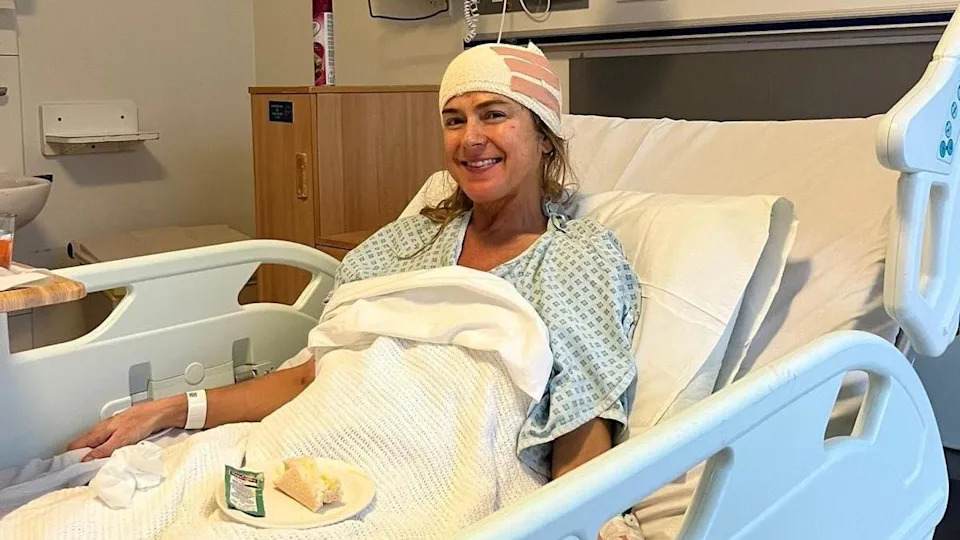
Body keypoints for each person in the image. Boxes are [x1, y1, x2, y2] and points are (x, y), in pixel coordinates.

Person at [68, 42, 640, 481]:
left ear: (544, 137)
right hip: (316, 449)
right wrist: (170, 410)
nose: (470, 139)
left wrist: (587, 520)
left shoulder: (574, 256)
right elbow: (314, 373)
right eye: (454, 119)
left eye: (494, 115)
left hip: (441, 470)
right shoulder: (404, 243)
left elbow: (582, 415)